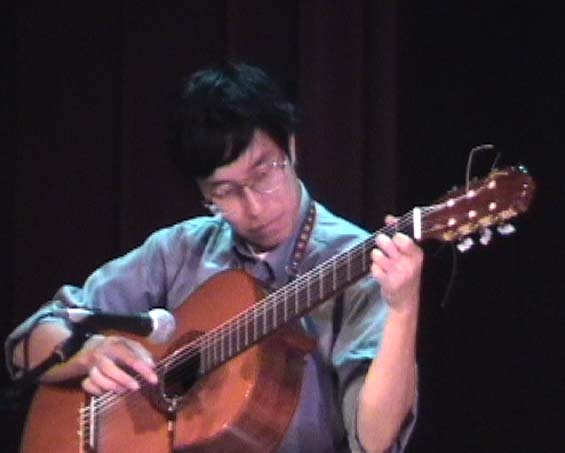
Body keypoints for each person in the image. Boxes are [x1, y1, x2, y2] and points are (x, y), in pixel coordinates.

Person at [5, 62, 423, 453]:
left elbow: (376, 441)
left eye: (263, 173)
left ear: (291, 147)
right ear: (203, 193)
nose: (254, 206)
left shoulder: (360, 262)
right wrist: (90, 351)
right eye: (225, 192)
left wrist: (403, 309)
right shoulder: (181, 251)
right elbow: (26, 344)